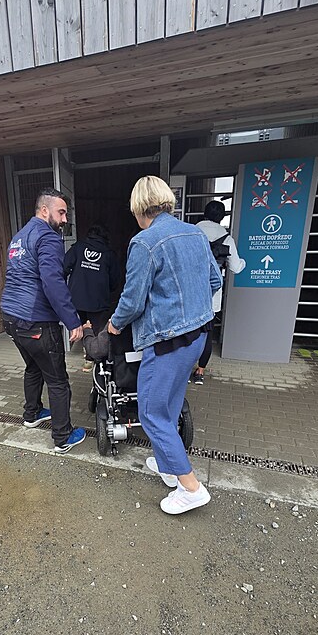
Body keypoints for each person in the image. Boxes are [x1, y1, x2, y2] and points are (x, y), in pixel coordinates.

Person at [107, 175, 222, 516]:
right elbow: (214, 280)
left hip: (167, 341)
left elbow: (132, 300)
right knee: (169, 405)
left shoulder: (144, 242)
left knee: (151, 412)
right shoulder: (195, 234)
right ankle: (168, 464)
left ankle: (191, 488)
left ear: (139, 208)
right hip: (197, 336)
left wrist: (115, 323)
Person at [0, 188, 86, 454]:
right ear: (44, 210)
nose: (64, 220)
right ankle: (62, 436)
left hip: (11, 318)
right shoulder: (48, 237)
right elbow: (52, 282)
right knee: (58, 380)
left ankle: (32, 413)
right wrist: (72, 321)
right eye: (61, 213)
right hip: (35, 321)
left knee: (34, 367)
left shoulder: (19, 237)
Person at [191, 200, 246, 385]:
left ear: (204, 213)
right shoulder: (227, 239)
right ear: (222, 217)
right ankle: (200, 372)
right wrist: (243, 262)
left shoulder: (192, 232)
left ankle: (183, 369)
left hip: (190, 291)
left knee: (187, 331)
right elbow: (236, 267)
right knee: (207, 333)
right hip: (212, 296)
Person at [64, 223, 120, 371]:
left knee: (81, 325)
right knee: (95, 329)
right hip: (98, 300)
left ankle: (86, 352)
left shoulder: (78, 247)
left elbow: (64, 267)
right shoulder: (109, 253)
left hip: (77, 298)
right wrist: (108, 290)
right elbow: (115, 279)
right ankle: (90, 359)